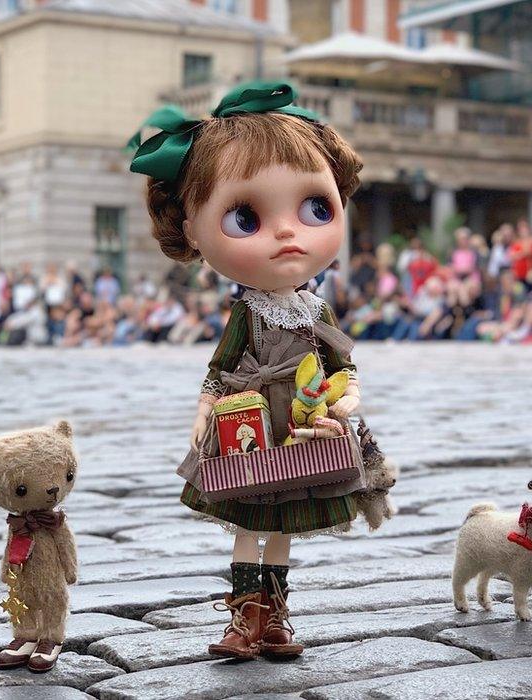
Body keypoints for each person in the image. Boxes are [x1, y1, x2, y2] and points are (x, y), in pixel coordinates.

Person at [130, 80, 379, 661]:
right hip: (248, 429)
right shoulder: (248, 310)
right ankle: (245, 616)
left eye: (316, 207)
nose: (288, 231)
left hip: (305, 426)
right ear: (193, 229)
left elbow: (343, 363)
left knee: (285, 524)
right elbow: (221, 367)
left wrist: (348, 400)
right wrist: (202, 410)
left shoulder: (315, 308)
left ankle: (276, 619)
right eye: (246, 216)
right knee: (251, 519)